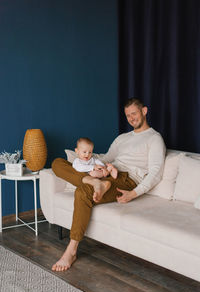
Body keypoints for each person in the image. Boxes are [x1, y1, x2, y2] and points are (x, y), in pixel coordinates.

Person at [51, 98, 166, 272]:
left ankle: (71, 251)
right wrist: (88, 163)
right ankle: (92, 181)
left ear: (144, 111)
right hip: (106, 173)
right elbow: (106, 157)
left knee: (83, 193)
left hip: (125, 179)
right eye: (127, 115)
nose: (131, 118)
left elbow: (155, 173)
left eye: (134, 113)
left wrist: (133, 193)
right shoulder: (123, 138)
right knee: (57, 163)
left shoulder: (154, 139)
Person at [72, 137, 118, 202]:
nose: (87, 154)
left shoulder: (92, 159)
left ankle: (109, 170)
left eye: (90, 152)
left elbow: (98, 162)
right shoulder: (77, 161)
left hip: (97, 172)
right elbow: (79, 168)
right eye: (84, 152)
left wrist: (103, 168)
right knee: (92, 173)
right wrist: (93, 167)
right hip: (93, 173)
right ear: (77, 151)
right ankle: (109, 171)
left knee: (95, 171)